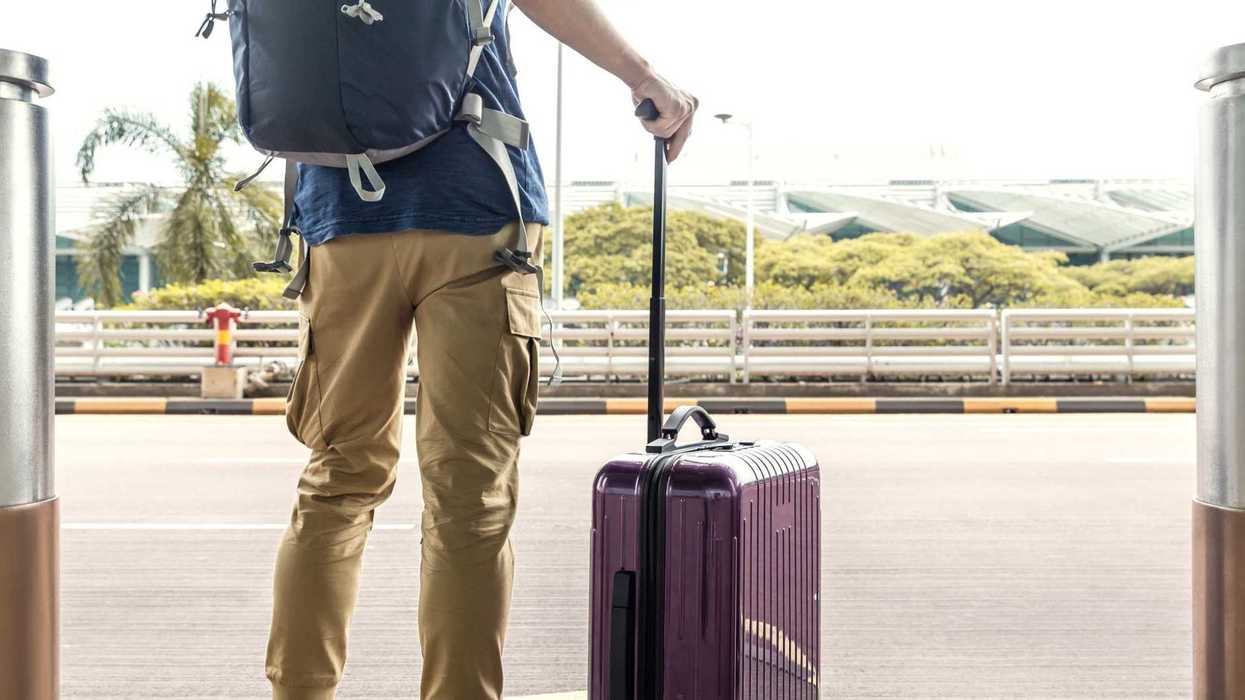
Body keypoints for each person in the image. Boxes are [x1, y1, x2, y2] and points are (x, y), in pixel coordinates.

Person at [263, 1, 697, 698]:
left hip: (338, 217)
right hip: (478, 206)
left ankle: (299, 692)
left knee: (338, 477)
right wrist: (643, 76)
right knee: (469, 494)